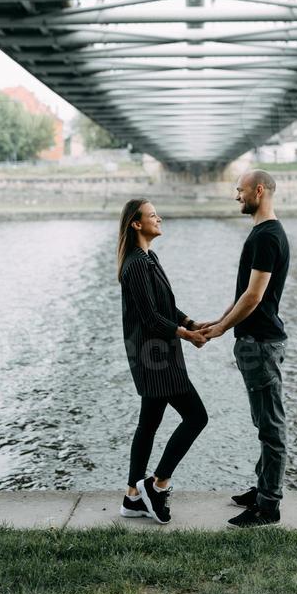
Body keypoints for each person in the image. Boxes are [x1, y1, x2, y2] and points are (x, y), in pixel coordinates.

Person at [202, 169, 290, 528]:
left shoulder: (267, 237)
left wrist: (222, 329)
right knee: (262, 421)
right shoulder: (264, 233)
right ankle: (262, 487)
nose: (236, 196)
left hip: (261, 343)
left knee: (271, 427)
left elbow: (254, 296)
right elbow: (245, 294)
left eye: (239, 191)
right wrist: (217, 321)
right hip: (256, 341)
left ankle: (268, 506)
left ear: (258, 190)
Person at [118, 197, 208, 524]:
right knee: (197, 417)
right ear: (136, 223)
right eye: (153, 216)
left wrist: (193, 323)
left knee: (149, 423)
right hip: (156, 357)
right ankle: (158, 484)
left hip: (157, 355)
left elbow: (166, 308)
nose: (160, 219)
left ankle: (132, 497)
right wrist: (187, 335)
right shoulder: (136, 264)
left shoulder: (148, 258)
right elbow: (151, 318)